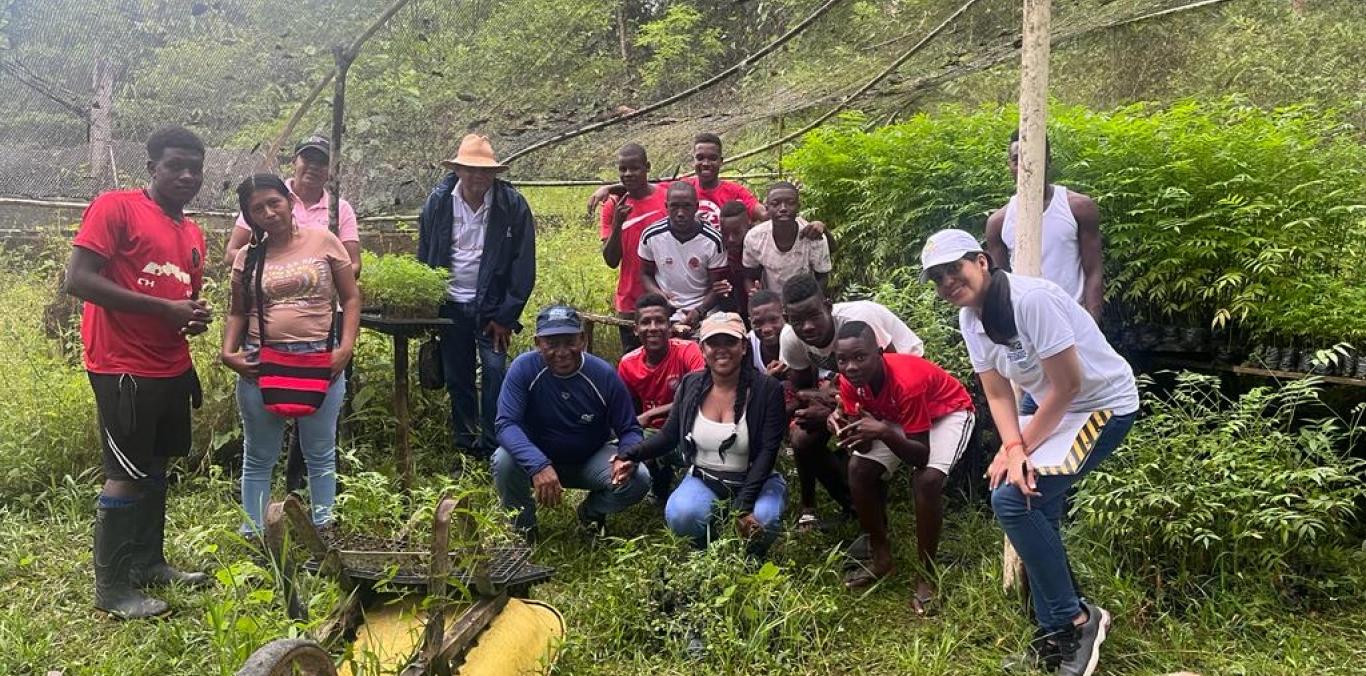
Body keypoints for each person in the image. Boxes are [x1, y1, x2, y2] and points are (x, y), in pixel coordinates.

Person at [921, 229, 1138, 675]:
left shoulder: (1030, 301)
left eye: (953, 270)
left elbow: (1070, 386)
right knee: (1032, 500)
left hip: (1102, 405)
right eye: (937, 278)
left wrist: (1019, 448)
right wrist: (1012, 445)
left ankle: (1075, 621)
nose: (947, 283)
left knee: (1010, 498)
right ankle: (1054, 632)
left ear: (981, 261)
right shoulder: (970, 319)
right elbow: (998, 394)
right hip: (1049, 406)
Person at [64, 126, 213, 619]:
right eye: (175, 165)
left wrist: (190, 315)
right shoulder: (117, 207)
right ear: (152, 168)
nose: (187, 175)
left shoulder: (191, 233)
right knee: (124, 476)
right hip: (121, 363)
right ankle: (112, 588)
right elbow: (79, 280)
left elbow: (176, 297)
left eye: (195, 167)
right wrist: (163, 310)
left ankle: (149, 562)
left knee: (155, 466)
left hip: (169, 364)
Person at [220, 174, 361, 535]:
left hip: (319, 362)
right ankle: (254, 532)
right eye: (257, 209)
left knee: (320, 452)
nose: (268, 212)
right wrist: (228, 352)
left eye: (274, 203)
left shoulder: (324, 241)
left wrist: (344, 349)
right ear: (249, 217)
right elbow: (238, 311)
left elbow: (350, 297)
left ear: (290, 201)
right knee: (258, 456)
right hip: (260, 363)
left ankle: (324, 528)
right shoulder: (248, 257)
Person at [829, 321, 975, 616]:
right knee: (858, 468)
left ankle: (927, 574)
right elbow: (867, 448)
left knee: (927, 481)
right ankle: (881, 558)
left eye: (860, 357)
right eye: (842, 360)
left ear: (879, 353)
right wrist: (845, 429)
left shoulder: (907, 382)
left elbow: (919, 457)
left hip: (946, 411)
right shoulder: (848, 382)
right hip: (896, 416)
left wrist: (883, 432)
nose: (851, 367)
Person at [612, 312, 788, 556]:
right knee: (682, 516)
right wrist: (630, 454)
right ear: (703, 350)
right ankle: (707, 547)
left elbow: (768, 452)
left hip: (755, 480)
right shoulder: (691, 384)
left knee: (764, 522)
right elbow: (668, 436)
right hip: (706, 478)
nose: (721, 350)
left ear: (744, 347)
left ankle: (752, 555)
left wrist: (744, 505)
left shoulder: (766, 389)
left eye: (730, 342)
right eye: (713, 343)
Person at [417, 134, 536, 466]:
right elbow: (426, 253)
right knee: (458, 376)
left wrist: (506, 315)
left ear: (494, 174)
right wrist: (429, 301)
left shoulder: (512, 205)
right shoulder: (439, 201)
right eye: (470, 170)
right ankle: (467, 444)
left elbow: (523, 265)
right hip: (451, 304)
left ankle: (497, 444)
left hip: (493, 308)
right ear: (458, 170)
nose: (477, 177)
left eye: (484, 171)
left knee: (496, 372)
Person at [779, 272, 925, 531]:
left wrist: (837, 409)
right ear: (786, 319)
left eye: (814, 315)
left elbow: (889, 377)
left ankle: (875, 523)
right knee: (802, 438)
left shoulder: (858, 322)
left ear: (827, 305)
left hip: (903, 383)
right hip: (850, 392)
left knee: (859, 447)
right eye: (797, 320)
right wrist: (829, 409)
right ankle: (850, 507)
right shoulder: (791, 338)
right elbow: (802, 390)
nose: (808, 327)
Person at [492, 304, 650, 539]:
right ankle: (522, 530)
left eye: (570, 341)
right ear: (537, 343)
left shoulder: (603, 374)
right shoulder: (523, 368)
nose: (562, 351)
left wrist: (625, 457)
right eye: (552, 344)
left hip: (588, 459)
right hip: (536, 458)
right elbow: (506, 424)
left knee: (638, 478)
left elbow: (629, 429)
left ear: (583, 340)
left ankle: (590, 513)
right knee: (504, 460)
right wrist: (538, 464)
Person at [984, 130, 1103, 322]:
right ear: (1009, 165)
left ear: (1048, 160)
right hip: (1027, 325)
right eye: (1016, 160)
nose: (1025, 166)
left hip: (1073, 319)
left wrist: (1091, 324)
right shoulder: (998, 223)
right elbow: (1003, 285)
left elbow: (1094, 271)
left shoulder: (1078, 208)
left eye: (1033, 157)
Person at [222, 136, 361, 276]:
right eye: (308, 159)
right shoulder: (268, 201)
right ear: (294, 161)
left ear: (332, 168)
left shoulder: (341, 209)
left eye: (322, 162)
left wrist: (318, 276)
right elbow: (231, 254)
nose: (314, 166)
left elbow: (354, 264)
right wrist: (283, 269)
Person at [616, 293, 705, 501]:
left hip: (690, 427)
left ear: (669, 326)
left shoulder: (688, 351)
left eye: (660, 321)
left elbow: (701, 392)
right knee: (625, 440)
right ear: (636, 329)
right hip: (653, 432)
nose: (653, 327)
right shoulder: (628, 364)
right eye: (646, 322)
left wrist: (653, 412)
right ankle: (656, 481)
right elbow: (630, 410)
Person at [600, 143, 668, 353]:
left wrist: (608, 187)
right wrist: (618, 223)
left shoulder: (667, 197)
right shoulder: (613, 205)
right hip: (630, 301)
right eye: (623, 169)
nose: (628, 174)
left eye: (634, 168)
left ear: (647, 167)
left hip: (667, 296)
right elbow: (611, 260)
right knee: (634, 364)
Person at [638, 182, 729, 334]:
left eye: (686, 206)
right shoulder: (651, 236)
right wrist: (661, 298)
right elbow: (645, 274)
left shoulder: (713, 240)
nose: (680, 213)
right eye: (674, 206)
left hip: (705, 311)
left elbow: (717, 286)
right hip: (666, 309)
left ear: (696, 206)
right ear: (666, 206)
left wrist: (699, 311)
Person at [743, 182, 833, 294]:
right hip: (772, 303)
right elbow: (749, 276)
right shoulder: (755, 237)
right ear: (767, 208)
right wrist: (755, 295)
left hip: (805, 300)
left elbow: (822, 278)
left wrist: (811, 304)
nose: (783, 208)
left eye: (790, 203)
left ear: (798, 206)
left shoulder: (813, 236)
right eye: (775, 204)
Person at [715, 200, 752, 318]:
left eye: (737, 232)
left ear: (749, 226)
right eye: (725, 233)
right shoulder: (716, 249)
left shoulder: (760, 246)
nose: (730, 239)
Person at [746, 289, 786, 376]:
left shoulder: (796, 338)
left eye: (773, 320)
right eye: (758, 323)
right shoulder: (748, 345)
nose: (766, 329)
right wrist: (768, 379)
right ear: (750, 323)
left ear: (784, 316)